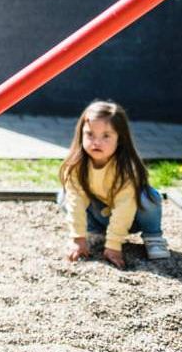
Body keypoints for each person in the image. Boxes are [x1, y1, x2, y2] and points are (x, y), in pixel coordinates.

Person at [59, 100, 170, 269]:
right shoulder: (76, 166)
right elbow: (76, 202)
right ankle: (96, 232)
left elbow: (125, 207)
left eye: (106, 136)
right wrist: (78, 239)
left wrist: (113, 245)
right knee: (64, 196)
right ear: (81, 134)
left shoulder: (125, 168)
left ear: (120, 138)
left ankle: (153, 237)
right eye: (90, 134)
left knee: (149, 197)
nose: (96, 142)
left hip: (132, 218)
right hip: (102, 215)